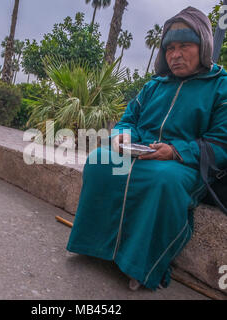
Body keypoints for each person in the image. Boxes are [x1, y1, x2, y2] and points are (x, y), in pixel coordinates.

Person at [66, 6, 227, 291]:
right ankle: (94, 245)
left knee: (162, 180)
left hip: (184, 165)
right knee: (100, 161)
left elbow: (220, 142)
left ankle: (141, 266)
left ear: (203, 46)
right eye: (170, 48)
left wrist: (175, 152)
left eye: (184, 46)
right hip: (141, 154)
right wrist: (122, 137)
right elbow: (128, 120)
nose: (175, 55)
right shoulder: (154, 86)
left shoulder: (221, 87)